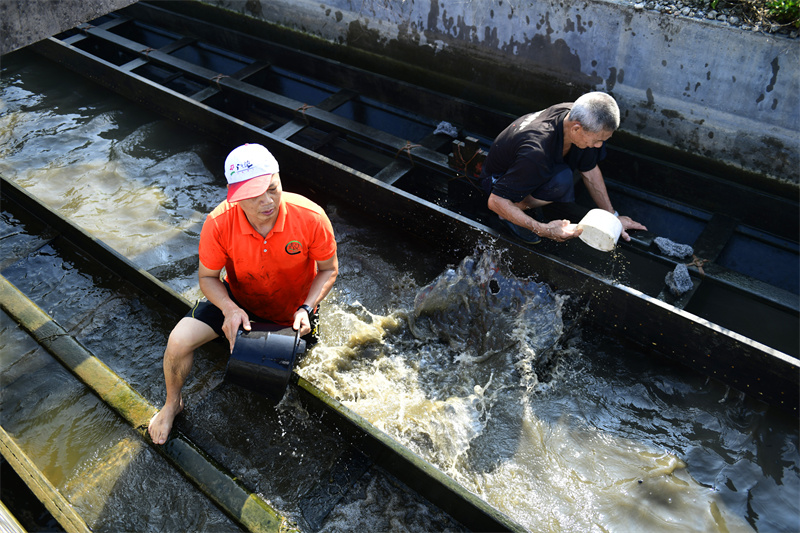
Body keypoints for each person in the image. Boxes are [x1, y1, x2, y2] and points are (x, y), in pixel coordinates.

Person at [148, 143, 338, 445]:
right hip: (239, 300)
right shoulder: (219, 223)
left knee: (287, 379)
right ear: (235, 196)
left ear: (279, 179)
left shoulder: (311, 217)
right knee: (178, 341)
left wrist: (306, 307)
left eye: (272, 189)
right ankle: (172, 404)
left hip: (293, 311)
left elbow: (328, 270)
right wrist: (228, 308)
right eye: (253, 195)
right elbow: (208, 277)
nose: (267, 202)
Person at [479, 91, 646, 244]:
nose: (599, 145)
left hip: (528, 166)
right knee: (562, 181)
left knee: (568, 171)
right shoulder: (536, 151)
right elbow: (495, 201)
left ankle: (522, 203)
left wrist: (613, 218)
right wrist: (543, 229)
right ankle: (510, 212)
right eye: (597, 140)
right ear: (576, 129)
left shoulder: (577, 117)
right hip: (498, 182)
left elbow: (589, 170)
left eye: (603, 140)